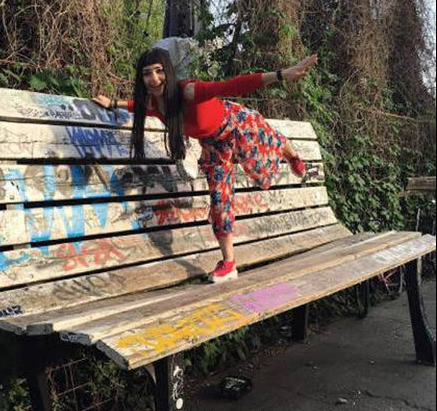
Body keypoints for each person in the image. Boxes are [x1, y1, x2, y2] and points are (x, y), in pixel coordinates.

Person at [92, 49, 318, 283]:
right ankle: (229, 263)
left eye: (159, 71)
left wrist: (281, 74)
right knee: (219, 201)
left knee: (262, 168)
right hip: (214, 146)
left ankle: (291, 155)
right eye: (147, 73)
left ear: (169, 71)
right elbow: (136, 106)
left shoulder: (189, 91)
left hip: (237, 126)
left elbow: (233, 85)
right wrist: (112, 103)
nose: (154, 79)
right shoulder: (153, 103)